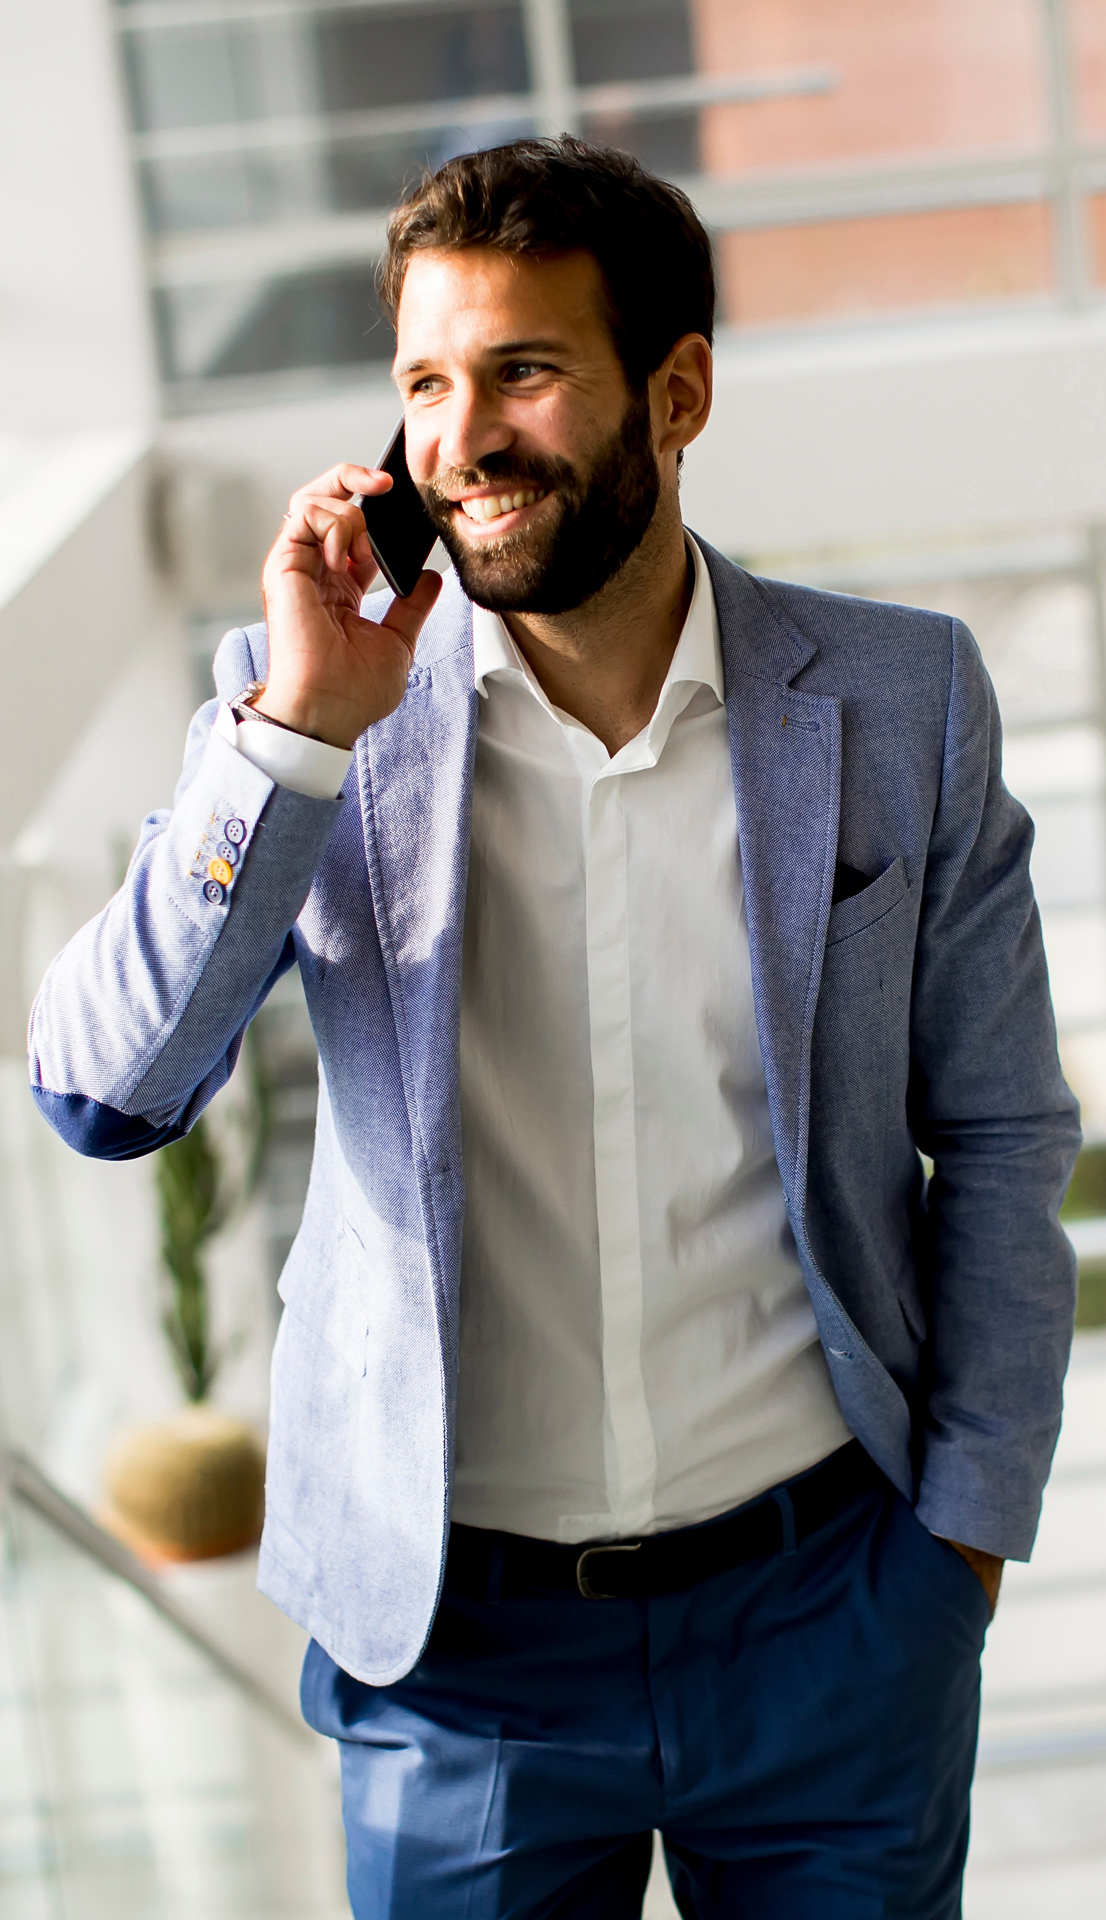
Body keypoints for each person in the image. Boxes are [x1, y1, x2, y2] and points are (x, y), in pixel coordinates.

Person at [29, 138, 1079, 1918]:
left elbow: (993, 1131)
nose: (460, 436)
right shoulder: (302, 718)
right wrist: (296, 732)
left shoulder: (900, 702)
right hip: (461, 1667)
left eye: (522, 370)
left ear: (676, 395)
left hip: (832, 1610)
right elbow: (102, 1095)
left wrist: (959, 1544)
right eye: (424, 383)